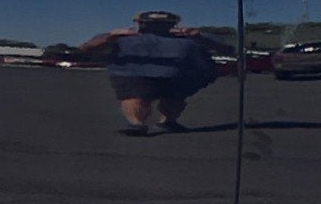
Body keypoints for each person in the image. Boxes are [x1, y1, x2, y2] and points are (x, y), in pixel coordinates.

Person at [78, 9, 225, 135]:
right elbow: (85, 48)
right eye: (151, 23)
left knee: (174, 100)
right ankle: (137, 124)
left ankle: (169, 122)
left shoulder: (188, 36)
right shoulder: (122, 36)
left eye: (164, 24)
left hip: (177, 74)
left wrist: (199, 37)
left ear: (174, 24)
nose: (157, 27)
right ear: (140, 23)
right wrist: (110, 38)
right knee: (136, 98)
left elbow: (226, 49)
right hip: (131, 73)